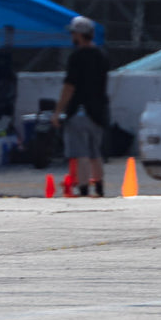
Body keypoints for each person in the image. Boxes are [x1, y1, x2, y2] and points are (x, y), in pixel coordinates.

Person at [53, 15, 110, 196]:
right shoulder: (102, 55)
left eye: (74, 33)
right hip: (98, 111)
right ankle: (100, 186)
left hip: (79, 110)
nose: (72, 37)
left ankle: (84, 188)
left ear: (79, 35)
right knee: (95, 153)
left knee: (81, 153)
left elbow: (69, 87)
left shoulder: (77, 57)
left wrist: (58, 111)